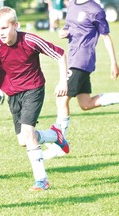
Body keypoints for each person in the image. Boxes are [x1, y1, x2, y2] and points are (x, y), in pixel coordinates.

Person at [0, 6, 70, 190]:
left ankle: (42, 180)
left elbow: (60, 54)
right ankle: (55, 135)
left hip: (33, 88)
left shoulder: (29, 40)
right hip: (12, 94)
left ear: (15, 25)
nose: (1, 33)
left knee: (28, 131)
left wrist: (63, 82)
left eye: (5, 28)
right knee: (23, 140)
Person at [43, 0, 119, 159]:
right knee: (86, 103)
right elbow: (70, 27)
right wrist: (63, 32)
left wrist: (114, 63)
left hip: (81, 60)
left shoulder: (95, 9)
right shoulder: (72, 5)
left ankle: (59, 145)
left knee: (61, 98)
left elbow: (106, 37)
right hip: (73, 58)